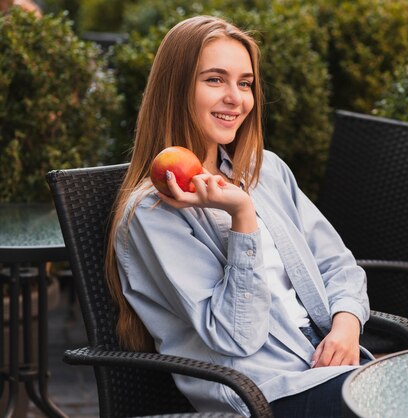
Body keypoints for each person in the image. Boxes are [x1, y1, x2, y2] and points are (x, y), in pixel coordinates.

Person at [104, 15, 372, 417]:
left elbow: (339, 264)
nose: (236, 98)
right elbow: (236, 336)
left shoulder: (265, 171)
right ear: (176, 91)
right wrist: (242, 217)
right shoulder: (152, 211)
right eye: (215, 80)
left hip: (329, 363)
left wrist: (347, 324)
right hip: (264, 392)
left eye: (244, 83)